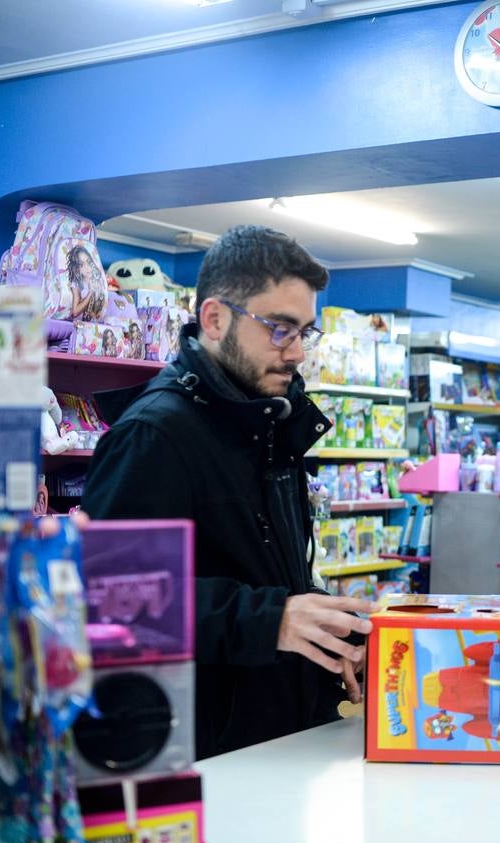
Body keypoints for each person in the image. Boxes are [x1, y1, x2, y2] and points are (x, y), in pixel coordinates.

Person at [82, 225, 374, 759]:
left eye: (305, 332)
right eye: (279, 328)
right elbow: (110, 604)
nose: (297, 353)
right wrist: (274, 620)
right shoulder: (155, 434)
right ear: (215, 319)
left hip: (282, 735)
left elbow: (262, 575)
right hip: (203, 754)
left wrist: (332, 635)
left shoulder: (268, 422)